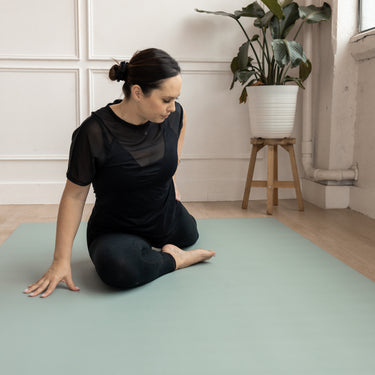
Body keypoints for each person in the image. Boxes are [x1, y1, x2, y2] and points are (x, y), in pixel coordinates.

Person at [24, 48, 216, 298]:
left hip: (164, 215)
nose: (172, 107)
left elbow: (173, 154)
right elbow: (74, 196)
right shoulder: (94, 133)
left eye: (175, 99)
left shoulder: (175, 116)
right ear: (137, 92)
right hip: (116, 228)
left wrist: (173, 183)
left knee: (190, 233)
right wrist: (61, 260)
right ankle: (175, 259)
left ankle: (160, 250)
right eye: (166, 99)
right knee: (119, 270)